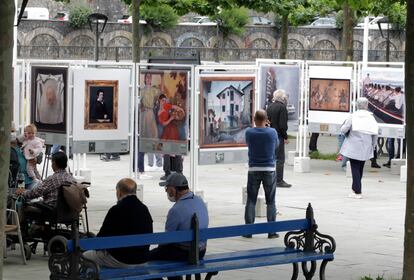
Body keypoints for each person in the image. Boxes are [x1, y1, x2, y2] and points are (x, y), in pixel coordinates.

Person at [84, 178, 153, 268]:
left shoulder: (116, 210)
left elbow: (101, 239)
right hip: (142, 259)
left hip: (121, 260)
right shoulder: (144, 209)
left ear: (119, 192)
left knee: (84, 257)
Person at [151, 173, 209, 280]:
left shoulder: (176, 210)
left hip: (186, 253)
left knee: (149, 258)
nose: (166, 191)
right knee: (165, 253)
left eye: (167, 188)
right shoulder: (200, 201)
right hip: (201, 251)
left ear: (173, 190)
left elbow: (166, 240)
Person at [243, 110, 279, 239]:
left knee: (251, 200)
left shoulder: (249, 132)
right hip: (269, 168)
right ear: (266, 119)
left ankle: (248, 231)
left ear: (254, 119)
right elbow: (276, 146)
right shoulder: (272, 132)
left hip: (253, 169)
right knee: (271, 201)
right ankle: (271, 231)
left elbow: (248, 143)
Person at [340, 97, 378, 199]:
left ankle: (357, 191)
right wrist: (373, 145)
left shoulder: (353, 116)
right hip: (366, 146)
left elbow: (344, 129)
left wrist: (342, 128)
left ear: (357, 105)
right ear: (367, 105)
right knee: (360, 168)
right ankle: (355, 189)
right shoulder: (371, 117)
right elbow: (375, 133)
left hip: (354, 146)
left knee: (355, 168)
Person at [266, 89, 292, 188]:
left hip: (270, 135)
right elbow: (282, 125)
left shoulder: (270, 106)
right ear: (283, 98)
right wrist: (285, 136)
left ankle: (271, 179)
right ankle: (279, 180)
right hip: (278, 136)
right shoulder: (282, 108)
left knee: (272, 158)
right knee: (280, 159)